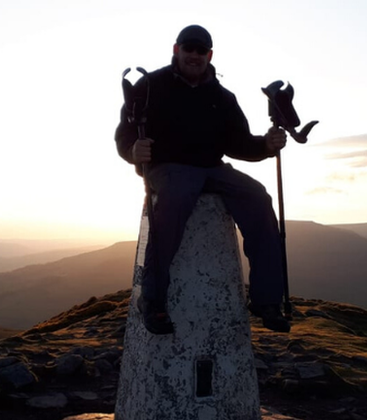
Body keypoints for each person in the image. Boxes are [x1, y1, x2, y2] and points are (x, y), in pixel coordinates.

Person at [115, 24, 290, 335]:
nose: (194, 55)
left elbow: (238, 144)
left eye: (201, 50)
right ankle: (153, 300)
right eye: (188, 48)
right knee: (177, 196)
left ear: (209, 55)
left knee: (258, 197)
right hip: (167, 166)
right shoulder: (150, 86)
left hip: (212, 167)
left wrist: (265, 145)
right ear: (176, 50)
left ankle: (266, 300)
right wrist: (132, 150)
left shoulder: (223, 97)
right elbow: (125, 133)